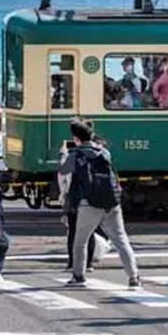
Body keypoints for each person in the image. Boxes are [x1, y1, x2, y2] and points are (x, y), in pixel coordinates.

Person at [60, 119, 142, 289]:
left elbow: (63, 170)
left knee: (80, 241)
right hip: (111, 202)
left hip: (88, 203)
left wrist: (63, 154)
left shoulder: (75, 155)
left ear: (76, 138)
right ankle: (134, 277)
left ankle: (78, 276)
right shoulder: (104, 152)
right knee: (121, 239)